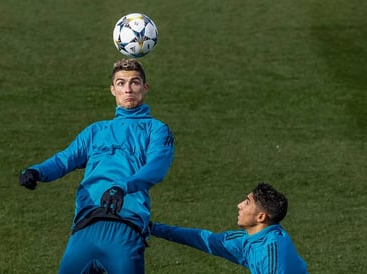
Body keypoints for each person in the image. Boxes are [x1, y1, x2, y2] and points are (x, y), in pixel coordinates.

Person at [19, 58, 175, 274]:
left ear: (145, 88)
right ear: (112, 90)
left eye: (135, 82)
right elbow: (65, 159)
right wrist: (37, 171)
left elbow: (156, 168)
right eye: (121, 83)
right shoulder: (96, 131)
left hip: (125, 228)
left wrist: (123, 186)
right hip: (85, 228)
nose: (128, 89)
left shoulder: (156, 130)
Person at [150, 182, 308, 274]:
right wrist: (154, 228)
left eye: (246, 202)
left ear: (261, 217)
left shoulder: (272, 254)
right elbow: (205, 240)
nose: (239, 205)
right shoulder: (248, 239)